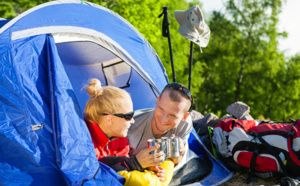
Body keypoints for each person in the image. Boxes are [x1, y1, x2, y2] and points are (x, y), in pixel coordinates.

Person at [83, 78, 174, 186]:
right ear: (109, 119)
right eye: (128, 116)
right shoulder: (84, 137)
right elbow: (94, 172)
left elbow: (123, 165)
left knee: (167, 164)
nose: (133, 121)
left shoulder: (120, 137)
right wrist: (135, 163)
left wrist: (147, 166)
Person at [127, 82, 194, 172]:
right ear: (157, 101)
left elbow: (178, 161)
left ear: (184, 117)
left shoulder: (185, 124)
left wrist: (177, 154)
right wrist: (135, 162)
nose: (163, 119)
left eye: (172, 115)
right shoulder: (130, 124)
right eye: (161, 109)